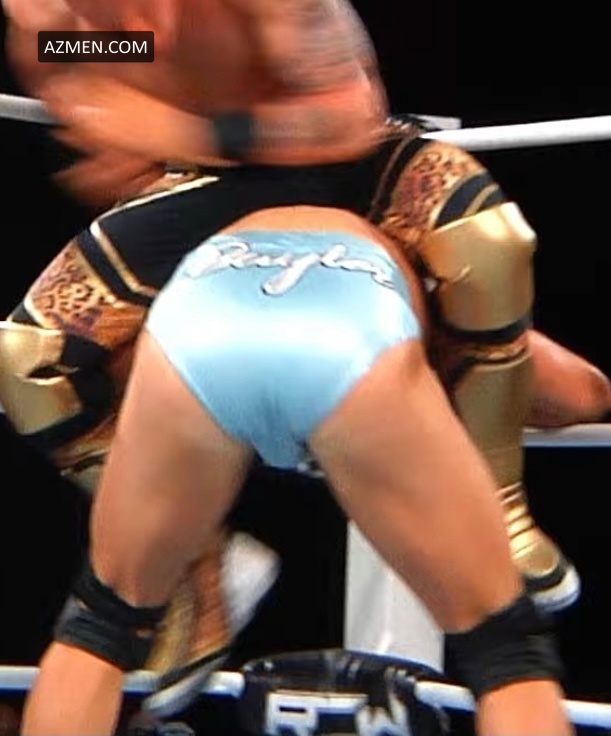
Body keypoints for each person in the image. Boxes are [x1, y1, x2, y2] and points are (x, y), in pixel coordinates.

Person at [1, 0, 609, 712]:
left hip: (362, 172)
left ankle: (499, 509)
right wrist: (82, 74)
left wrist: (179, 128)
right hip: (220, 194)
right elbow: (95, 73)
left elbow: (346, 119)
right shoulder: (104, 25)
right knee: (28, 359)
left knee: (506, 271)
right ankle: (197, 566)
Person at [20, 205, 573, 736]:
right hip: (352, 316)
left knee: (100, 623)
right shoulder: (435, 259)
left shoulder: (212, 205)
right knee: (506, 650)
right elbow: (574, 389)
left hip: (201, 300)